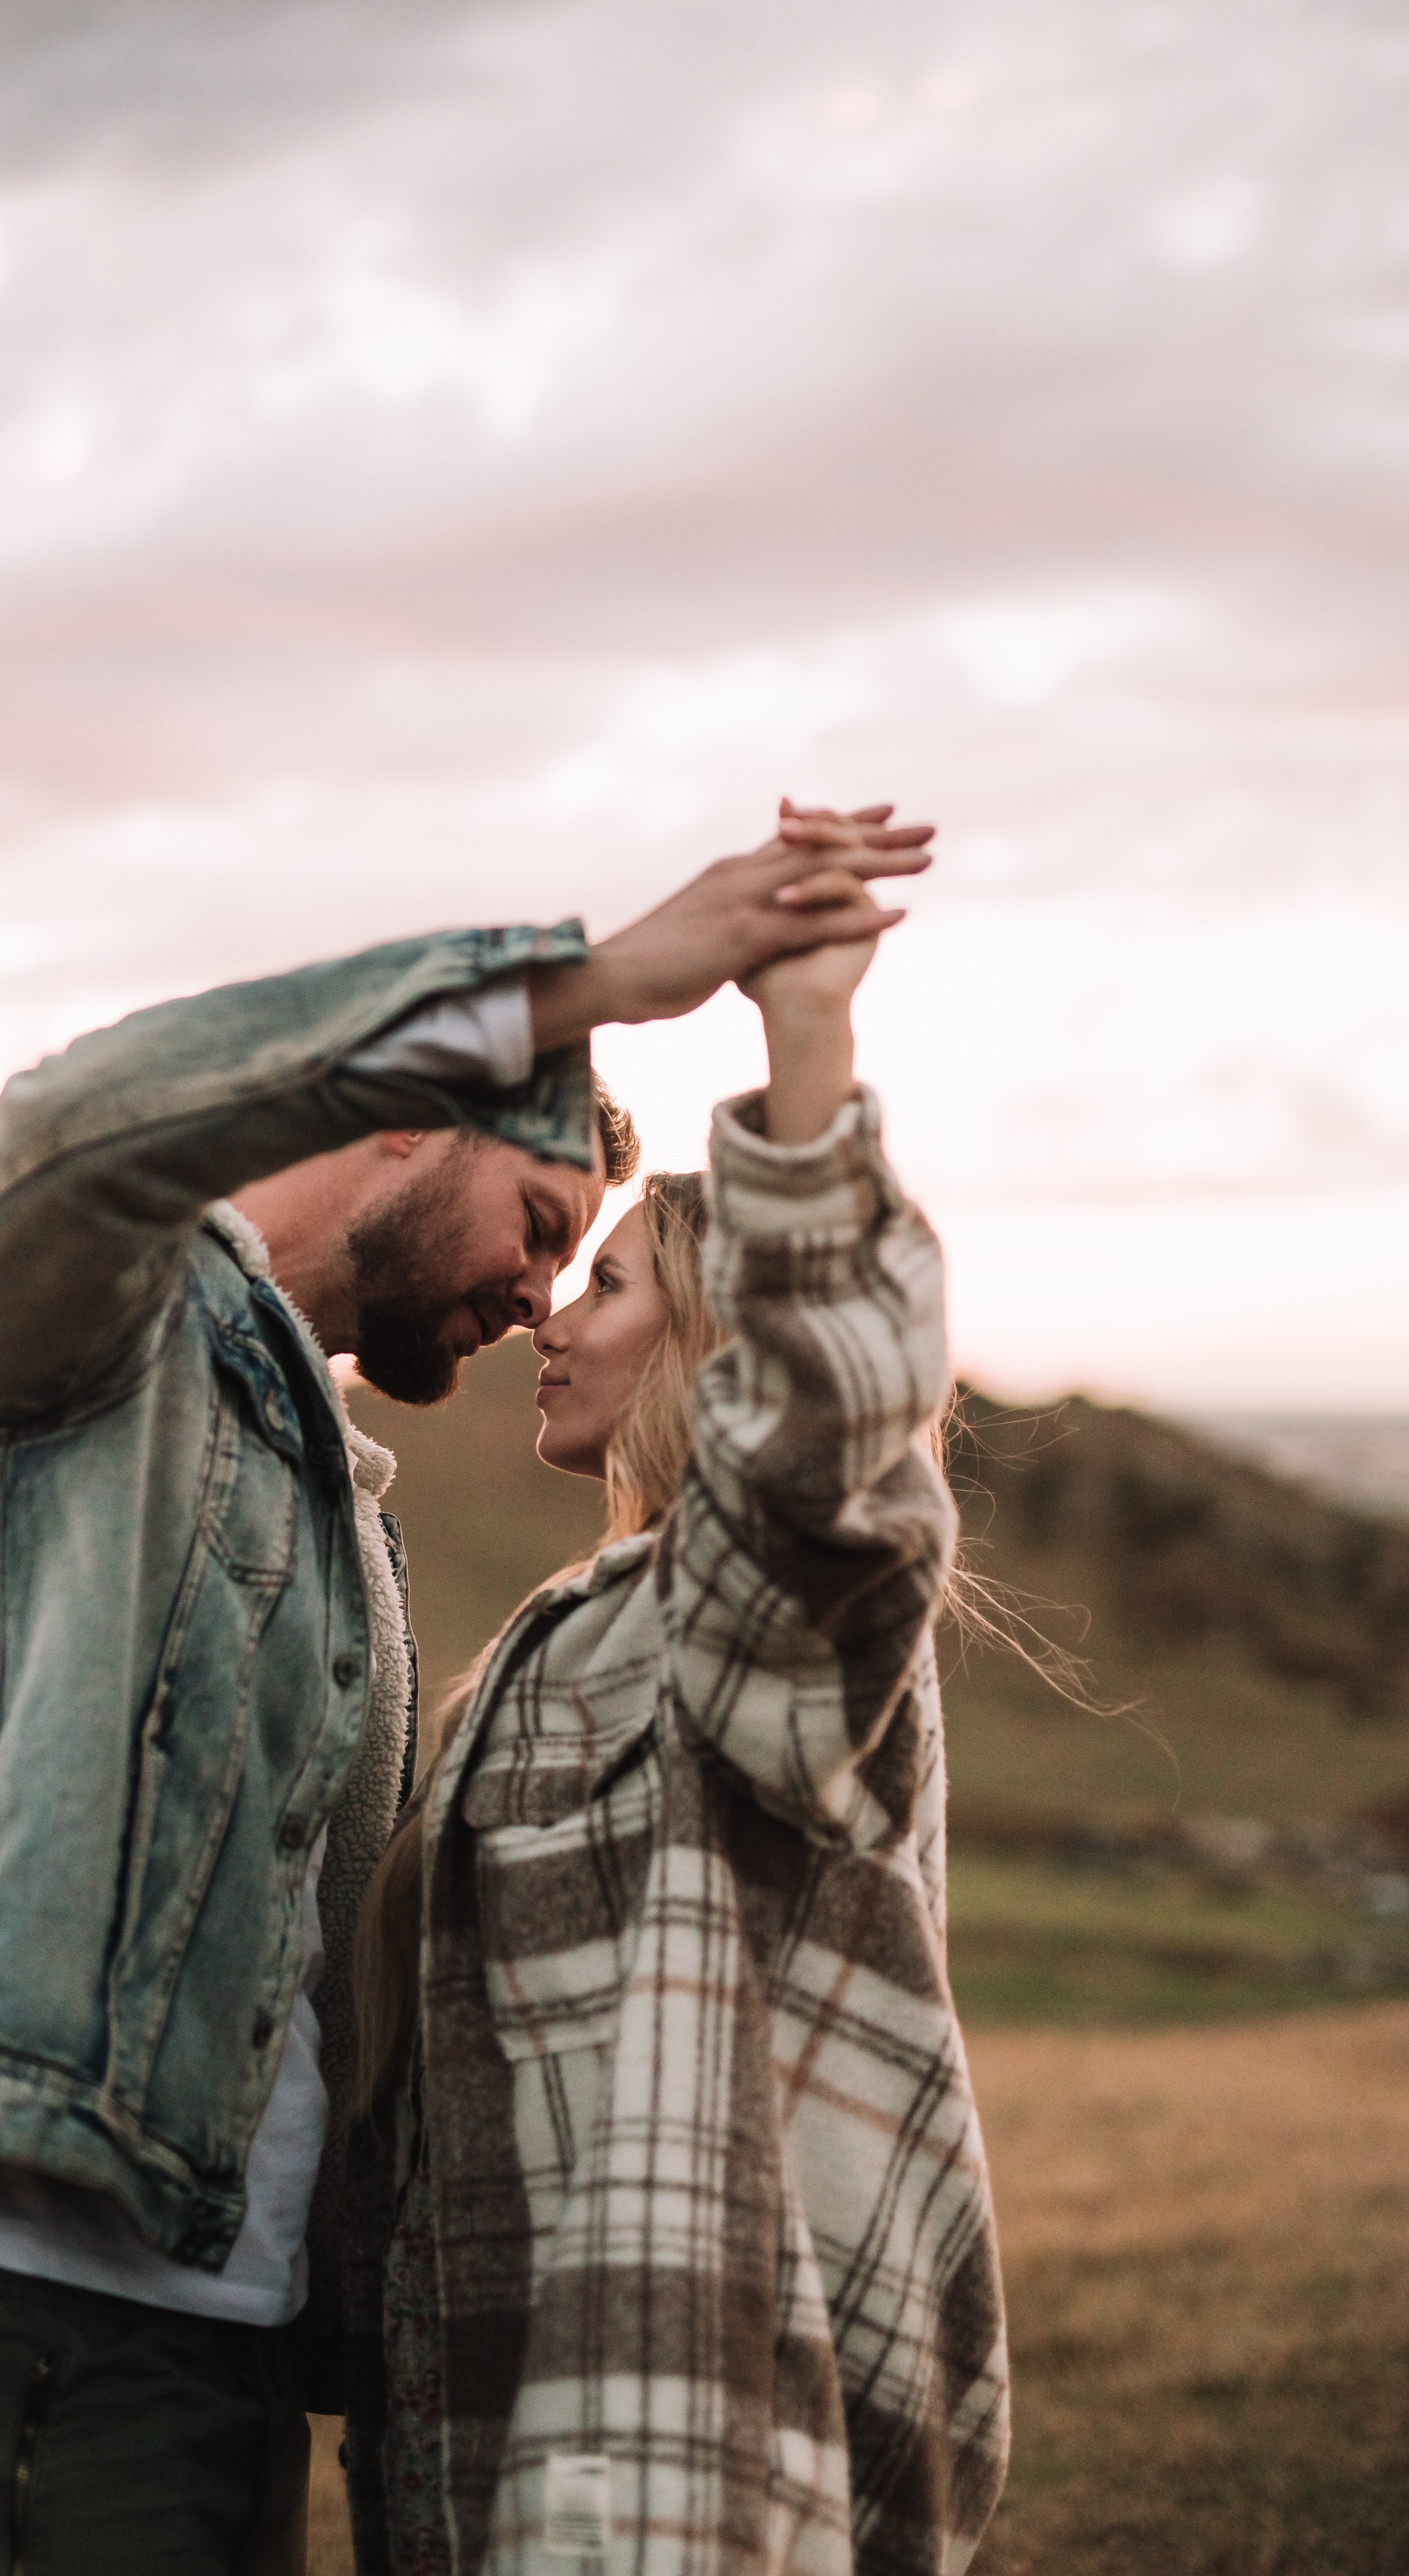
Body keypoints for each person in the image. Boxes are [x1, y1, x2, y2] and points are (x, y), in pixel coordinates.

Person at [0, 818, 924, 2576]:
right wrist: (595, 982)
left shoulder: (346, 1518)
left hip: (241, 2336)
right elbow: (73, 1127)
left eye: (583, 1264)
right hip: (36, 2296)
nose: (542, 1294)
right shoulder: (82, 1318)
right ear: (404, 1111)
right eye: (545, 1223)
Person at [344, 804, 1008, 2576]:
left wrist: (804, 1035)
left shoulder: (759, 1621)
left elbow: (827, 1444)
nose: (550, 1311)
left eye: (608, 1276)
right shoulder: (578, 1632)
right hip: (493, 2423)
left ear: (720, 1337)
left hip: (693, 2434)